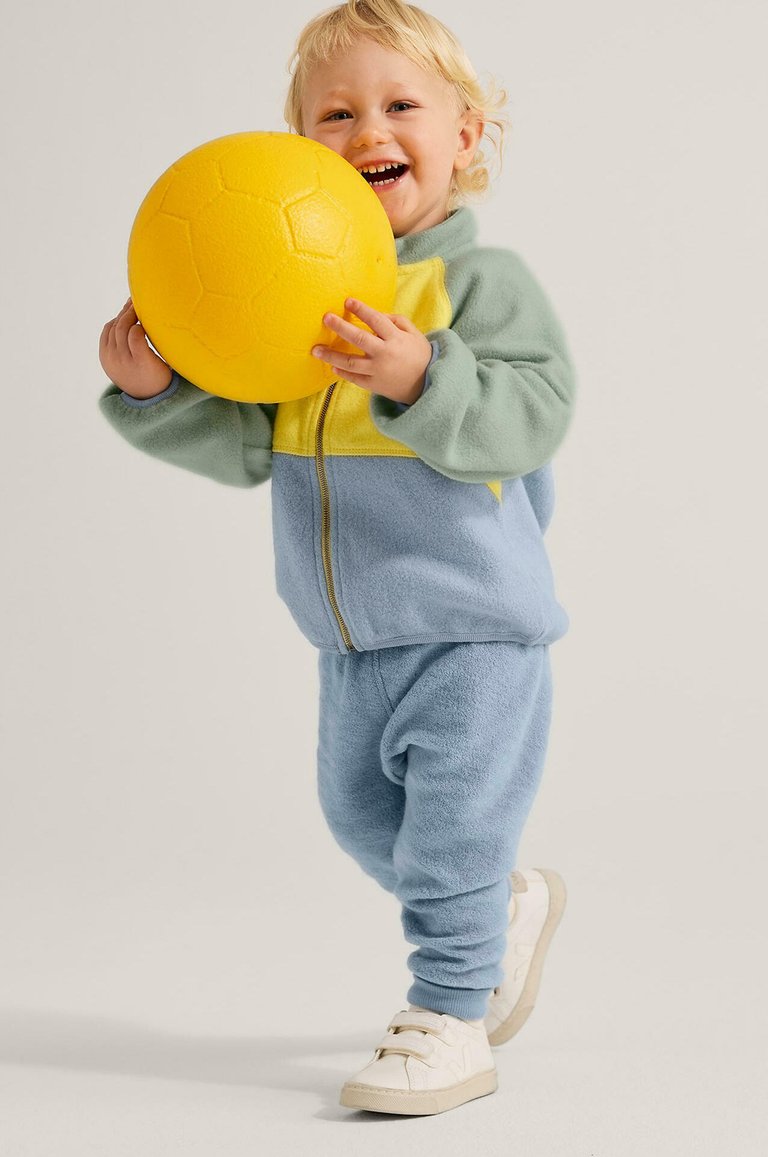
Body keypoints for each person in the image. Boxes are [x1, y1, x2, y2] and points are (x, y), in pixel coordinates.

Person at [98, 0, 577, 1117]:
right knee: (362, 817)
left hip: (472, 624)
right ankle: (496, 908)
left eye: (401, 105)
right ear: (298, 150)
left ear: (464, 134)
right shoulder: (290, 290)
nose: (370, 130)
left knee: (449, 831)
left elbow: (534, 414)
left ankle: (451, 1011)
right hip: (351, 638)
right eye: (336, 114)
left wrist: (424, 376)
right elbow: (246, 444)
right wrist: (156, 393)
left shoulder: (479, 285)